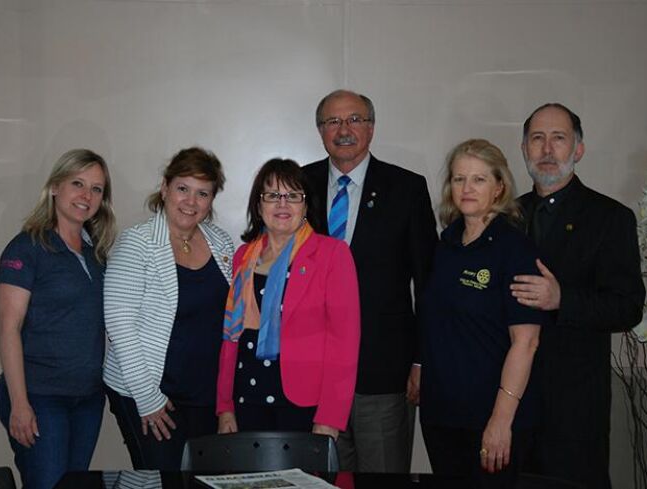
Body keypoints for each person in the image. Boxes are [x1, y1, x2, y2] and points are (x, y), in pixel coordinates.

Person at [510, 103, 645, 489]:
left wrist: (562, 299)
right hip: (510, 402)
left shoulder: (611, 218)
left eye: (558, 138)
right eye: (537, 139)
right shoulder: (506, 217)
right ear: (524, 148)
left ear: (578, 150)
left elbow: (628, 307)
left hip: (573, 409)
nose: (547, 150)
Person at [302, 89, 438, 472]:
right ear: (320, 130)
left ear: (372, 128)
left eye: (355, 119)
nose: (344, 129)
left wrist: (421, 361)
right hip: (312, 372)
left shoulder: (407, 189)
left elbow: (427, 283)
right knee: (321, 478)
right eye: (333, 121)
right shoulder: (298, 186)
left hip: (382, 373)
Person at [418, 139, 545, 488]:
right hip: (442, 413)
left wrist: (501, 421)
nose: (467, 188)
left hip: (491, 415)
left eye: (478, 179)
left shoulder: (515, 249)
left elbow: (527, 342)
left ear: (499, 186)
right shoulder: (447, 243)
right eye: (459, 179)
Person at [103, 147, 234, 470]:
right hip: (149, 393)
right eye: (182, 189)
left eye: (202, 193)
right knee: (164, 481)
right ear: (165, 188)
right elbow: (120, 326)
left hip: (205, 395)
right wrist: (148, 398)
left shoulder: (221, 242)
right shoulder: (137, 243)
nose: (191, 201)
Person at [0, 149, 116, 489]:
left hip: (87, 399)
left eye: (96, 189)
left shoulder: (97, 253)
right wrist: (20, 403)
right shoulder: (26, 248)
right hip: (39, 398)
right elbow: (9, 329)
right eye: (77, 183)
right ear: (54, 187)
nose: (86, 196)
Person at [216, 158, 360, 438]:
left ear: (306, 206)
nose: (282, 204)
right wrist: (225, 407)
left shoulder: (332, 254)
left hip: (304, 404)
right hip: (246, 397)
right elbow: (231, 337)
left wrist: (330, 418)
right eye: (272, 196)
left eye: (293, 196)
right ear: (259, 206)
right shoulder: (243, 257)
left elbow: (344, 344)